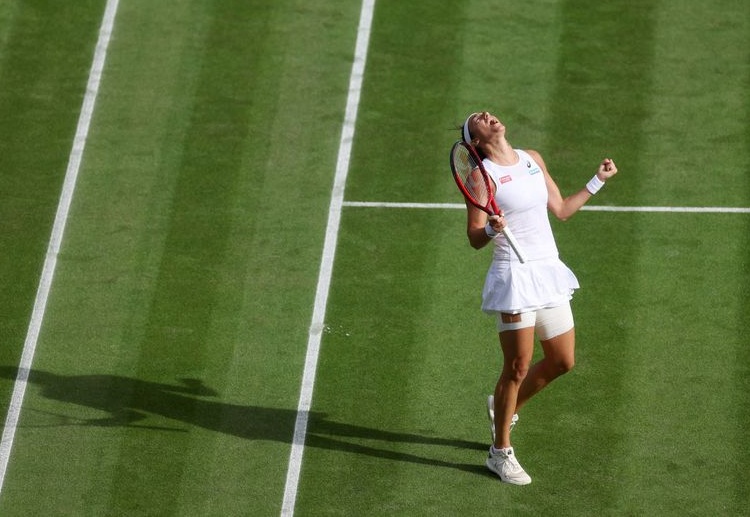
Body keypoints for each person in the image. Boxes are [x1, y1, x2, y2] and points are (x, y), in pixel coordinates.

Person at [459, 111, 618, 485]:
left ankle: (502, 409)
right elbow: (474, 236)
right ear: (476, 142)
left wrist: (598, 180)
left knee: (562, 360)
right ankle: (500, 452)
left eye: (486, 113)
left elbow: (561, 209)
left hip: (546, 271)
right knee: (517, 366)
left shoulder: (532, 158)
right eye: (477, 120)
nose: (486, 115)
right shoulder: (480, 179)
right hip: (514, 276)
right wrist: (493, 231)